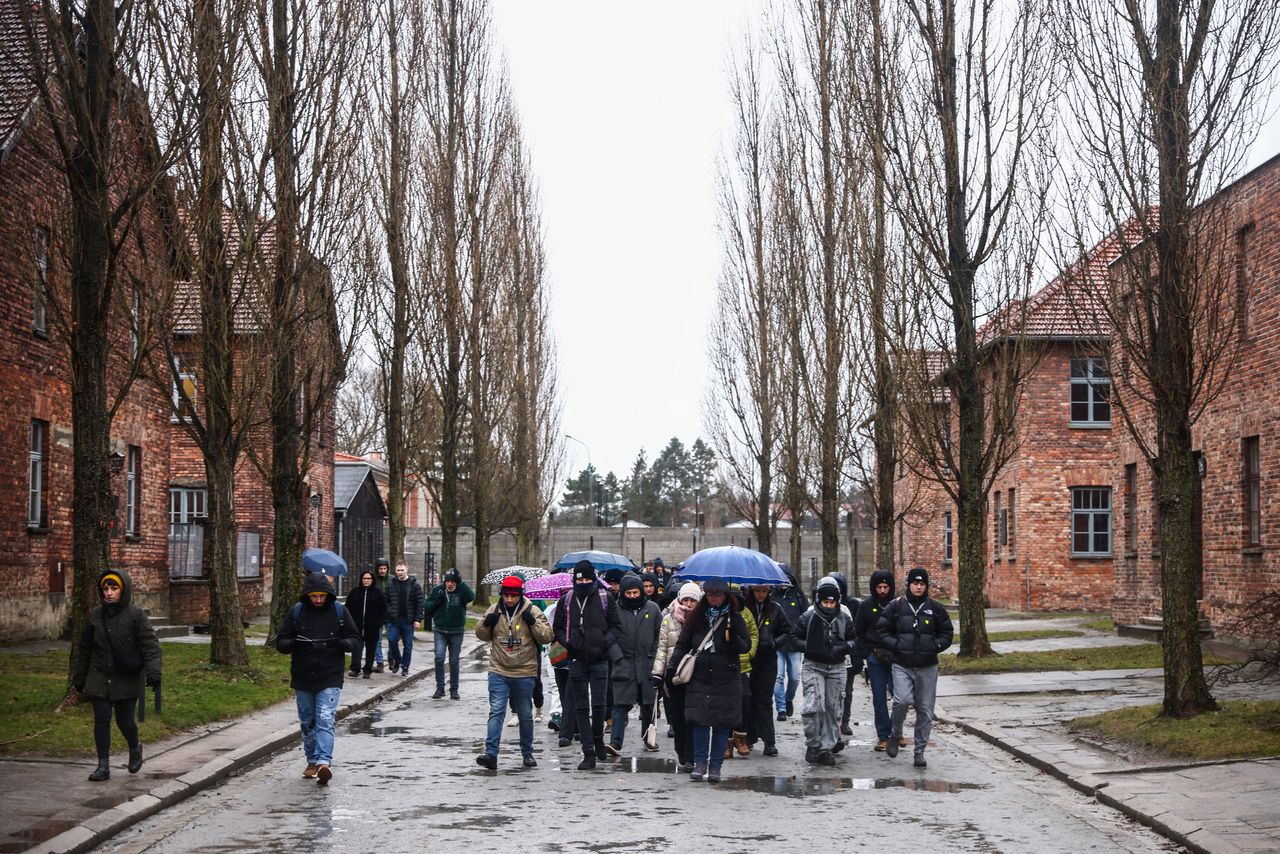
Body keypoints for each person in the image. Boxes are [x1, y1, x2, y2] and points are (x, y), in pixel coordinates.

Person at [72, 569, 162, 782]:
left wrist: (153, 671)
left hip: (126, 676)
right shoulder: (94, 616)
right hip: (99, 675)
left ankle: (135, 746)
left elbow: (150, 645)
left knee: (124, 721)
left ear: (124, 590)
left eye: (114, 588)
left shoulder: (136, 615)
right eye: (106, 588)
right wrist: (79, 678)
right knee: (101, 719)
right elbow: (84, 650)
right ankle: (103, 766)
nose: (109, 593)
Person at [277, 571, 362, 784]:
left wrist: (344, 644)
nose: (317, 600)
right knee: (307, 721)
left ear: (327, 595)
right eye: (314, 596)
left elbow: (355, 638)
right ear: (307, 595)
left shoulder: (339, 612)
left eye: (321, 596)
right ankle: (312, 760)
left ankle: (324, 761)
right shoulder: (297, 612)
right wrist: (295, 643)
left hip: (330, 675)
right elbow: (281, 642)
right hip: (303, 675)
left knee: (325, 719)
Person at [669, 577, 751, 783]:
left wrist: (732, 638)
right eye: (711, 594)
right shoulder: (697, 617)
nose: (714, 598)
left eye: (718, 594)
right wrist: (671, 668)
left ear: (725, 596)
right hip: (700, 676)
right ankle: (699, 763)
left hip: (726, 677)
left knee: (723, 723)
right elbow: (683, 644)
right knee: (700, 721)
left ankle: (715, 766)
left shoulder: (735, 617)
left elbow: (745, 646)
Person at [474, 576, 554, 770]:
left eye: (514, 596)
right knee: (496, 711)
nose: (509, 599)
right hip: (499, 670)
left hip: (524, 671)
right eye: (506, 595)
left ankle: (527, 753)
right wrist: (486, 624)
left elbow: (547, 636)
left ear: (520, 594)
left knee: (525, 714)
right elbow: (481, 635)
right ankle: (491, 753)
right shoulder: (494, 610)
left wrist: (533, 622)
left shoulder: (532, 610)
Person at [877, 567, 953, 768]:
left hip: (927, 666)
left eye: (922, 584)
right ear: (908, 585)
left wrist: (936, 646)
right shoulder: (896, 606)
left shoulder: (935, 607)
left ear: (926, 586)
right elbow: (882, 630)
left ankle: (919, 751)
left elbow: (947, 632)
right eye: (915, 584)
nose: (918, 587)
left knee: (925, 710)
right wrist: (896, 645)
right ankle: (895, 734)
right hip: (902, 664)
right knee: (901, 701)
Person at [552, 560, 620, 770]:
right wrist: (569, 642)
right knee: (581, 706)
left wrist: (603, 642)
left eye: (587, 579)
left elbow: (616, 626)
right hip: (577, 659)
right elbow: (558, 628)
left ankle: (598, 738)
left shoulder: (604, 597)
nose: (583, 582)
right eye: (579, 579)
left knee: (599, 705)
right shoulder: (567, 599)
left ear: (594, 579)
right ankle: (588, 750)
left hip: (600, 659)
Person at [792, 576, 858, 765]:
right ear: (818, 600)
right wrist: (810, 646)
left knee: (832, 708)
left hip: (837, 667)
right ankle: (813, 743)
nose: (829, 606)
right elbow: (793, 639)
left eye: (832, 602)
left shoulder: (844, 618)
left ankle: (825, 748)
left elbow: (855, 639)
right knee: (814, 705)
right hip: (813, 665)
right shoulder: (808, 617)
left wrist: (844, 648)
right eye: (825, 602)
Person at [606, 573, 662, 755]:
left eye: (635, 592)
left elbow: (659, 636)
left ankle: (649, 738)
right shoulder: (615, 609)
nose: (632, 596)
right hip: (624, 664)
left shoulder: (653, 609)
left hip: (647, 664)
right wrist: (618, 657)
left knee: (648, 705)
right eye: (628, 593)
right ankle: (615, 742)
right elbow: (609, 636)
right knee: (620, 705)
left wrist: (654, 658)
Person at [653, 582, 700, 771]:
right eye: (685, 599)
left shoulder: (703, 619)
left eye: (693, 600)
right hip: (673, 675)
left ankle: (692, 755)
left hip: (696, 674)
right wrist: (657, 673)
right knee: (678, 717)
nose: (688, 604)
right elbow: (662, 649)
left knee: (693, 717)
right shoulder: (668, 619)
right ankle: (682, 751)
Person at [853, 569, 897, 751]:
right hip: (875, 657)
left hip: (895, 657)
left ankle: (897, 731)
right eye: (879, 587)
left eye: (886, 587)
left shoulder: (897, 606)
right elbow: (858, 632)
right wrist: (866, 653)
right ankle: (883, 735)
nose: (883, 590)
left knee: (900, 697)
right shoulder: (866, 606)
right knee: (879, 698)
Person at [744, 584, 789, 756]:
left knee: (764, 700)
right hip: (749, 658)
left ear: (769, 591)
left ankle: (769, 740)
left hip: (767, 659)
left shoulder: (775, 609)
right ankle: (749, 736)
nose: (760, 594)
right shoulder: (746, 608)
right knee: (748, 699)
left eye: (763, 591)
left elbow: (786, 630)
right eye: (757, 591)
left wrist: (774, 643)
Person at [425, 568, 474, 699]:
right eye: (447, 581)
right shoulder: (438, 590)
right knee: (439, 657)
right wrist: (436, 601)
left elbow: (471, 597)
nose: (449, 584)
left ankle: (454, 689)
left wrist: (462, 583)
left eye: (452, 581)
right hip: (440, 630)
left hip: (456, 631)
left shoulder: (461, 591)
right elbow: (427, 605)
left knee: (454, 661)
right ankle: (440, 688)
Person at [771, 566, 808, 720]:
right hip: (777, 643)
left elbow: (806, 616)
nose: (784, 582)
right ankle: (781, 709)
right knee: (778, 676)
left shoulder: (799, 596)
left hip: (794, 644)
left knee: (794, 677)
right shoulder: (772, 595)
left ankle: (788, 699)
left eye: (787, 578)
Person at [830, 572, 864, 736]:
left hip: (849, 654)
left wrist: (857, 656)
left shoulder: (852, 605)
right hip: (831, 655)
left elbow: (856, 632)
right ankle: (832, 724)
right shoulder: (825, 604)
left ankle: (845, 721)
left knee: (847, 691)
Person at [727, 590, 759, 759]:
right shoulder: (719, 613)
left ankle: (740, 736)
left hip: (743, 666)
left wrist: (749, 653)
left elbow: (753, 634)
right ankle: (726, 740)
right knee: (725, 702)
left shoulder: (746, 614)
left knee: (745, 699)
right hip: (725, 666)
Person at [383, 562, 424, 676]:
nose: (400, 572)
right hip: (393, 619)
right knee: (392, 640)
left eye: (402, 570)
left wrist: (418, 619)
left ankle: (405, 667)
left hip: (408, 620)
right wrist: (389, 611)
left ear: (407, 569)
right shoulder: (391, 584)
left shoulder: (414, 585)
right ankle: (397, 661)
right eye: (398, 570)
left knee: (408, 645)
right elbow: (385, 600)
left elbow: (420, 602)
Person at [345, 569, 387, 678]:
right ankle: (355, 669)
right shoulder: (355, 592)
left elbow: (383, 610)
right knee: (357, 649)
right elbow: (347, 608)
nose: (366, 580)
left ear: (372, 580)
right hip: (357, 627)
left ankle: (367, 670)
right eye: (364, 578)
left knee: (371, 650)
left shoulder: (378, 593)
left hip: (372, 628)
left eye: (369, 578)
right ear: (361, 579)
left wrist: (378, 622)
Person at [372, 557, 391, 672]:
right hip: (377, 614)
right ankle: (380, 662)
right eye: (380, 568)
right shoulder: (373, 580)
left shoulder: (392, 580)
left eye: (384, 568)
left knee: (392, 639)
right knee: (377, 639)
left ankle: (391, 658)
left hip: (389, 614)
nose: (382, 571)